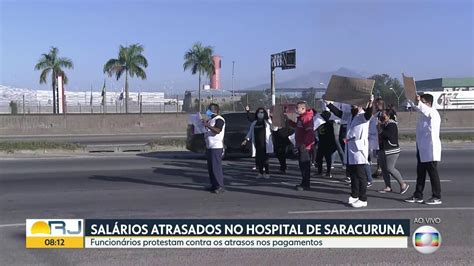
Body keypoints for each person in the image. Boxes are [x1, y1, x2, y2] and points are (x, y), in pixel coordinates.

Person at [327, 96, 373, 208]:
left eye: (355, 104)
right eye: (352, 104)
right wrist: (329, 104)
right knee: (353, 174)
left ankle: (363, 199)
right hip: (350, 148)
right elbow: (339, 113)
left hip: (359, 149)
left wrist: (371, 103)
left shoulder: (363, 116)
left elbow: (369, 113)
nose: (353, 106)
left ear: (361, 105)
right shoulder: (351, 115)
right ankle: (354, 195)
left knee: (360, 175)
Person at [405, 94, 442, 205]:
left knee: (433, 174)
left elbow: (421, 107)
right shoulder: (423, 114)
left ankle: (437, 196)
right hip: (422, 149)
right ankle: (418, 195)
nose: (420, 105)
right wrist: (411, 99)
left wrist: (418, 102)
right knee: (420, 174)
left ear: (429, 104)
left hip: (430, 149)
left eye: (423, 102)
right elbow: (418, 107)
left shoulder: (433, 113)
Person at [377, 109, 409, 194]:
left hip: (392, 150)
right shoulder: (384, 124)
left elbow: (388, 135)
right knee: (384, 169)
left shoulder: (392, 124)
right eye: (381, 116)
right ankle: (388, 186)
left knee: (390, 168)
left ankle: (403, 184)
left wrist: (380, 129)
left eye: (383, 116)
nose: (382, 118)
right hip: (383, 149)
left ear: (388, 116)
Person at [286, 101, 315, 191]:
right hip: (300, 144)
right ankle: (304, 182)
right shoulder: (301, 118)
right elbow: (298, 127)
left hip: (305, 146)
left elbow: (309, 132)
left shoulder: (306, 117)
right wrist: (289, 122)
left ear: (303, 108)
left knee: (305, 165)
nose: (296, 109)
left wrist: (305, 144)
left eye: (297, 108)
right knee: (302, 165)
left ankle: (306, 184)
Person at [242, 108, 276, 179]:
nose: (260, 114)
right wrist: (246, 140)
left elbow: (275, 128)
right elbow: (250, 132)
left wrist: (271, 120)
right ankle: (260, 173)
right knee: (259, 159)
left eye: (262, 112)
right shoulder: (254, 123)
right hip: (257, 144)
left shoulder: (267, 122)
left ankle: (267, 173)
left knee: (265, 160)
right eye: (259, 112)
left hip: (265, 144)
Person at [203, 104, 226, 194]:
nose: (207, 111)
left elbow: (218, 130)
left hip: (216, 147)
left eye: (209, 110)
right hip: (209, 146)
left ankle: (220, 186)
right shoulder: (211, 120)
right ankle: (214, 185)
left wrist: (208, 126)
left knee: (216, 167)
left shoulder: (219, 119)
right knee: (211, 168)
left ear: (215, 110)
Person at [315, 110, 337, 178]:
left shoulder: (329, 123)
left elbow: (332, 135)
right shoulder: (320, 123)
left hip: (328, 143)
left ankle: (328, 172)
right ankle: (320, 171)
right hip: (321, 142)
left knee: (328, 158)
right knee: (319, 158)